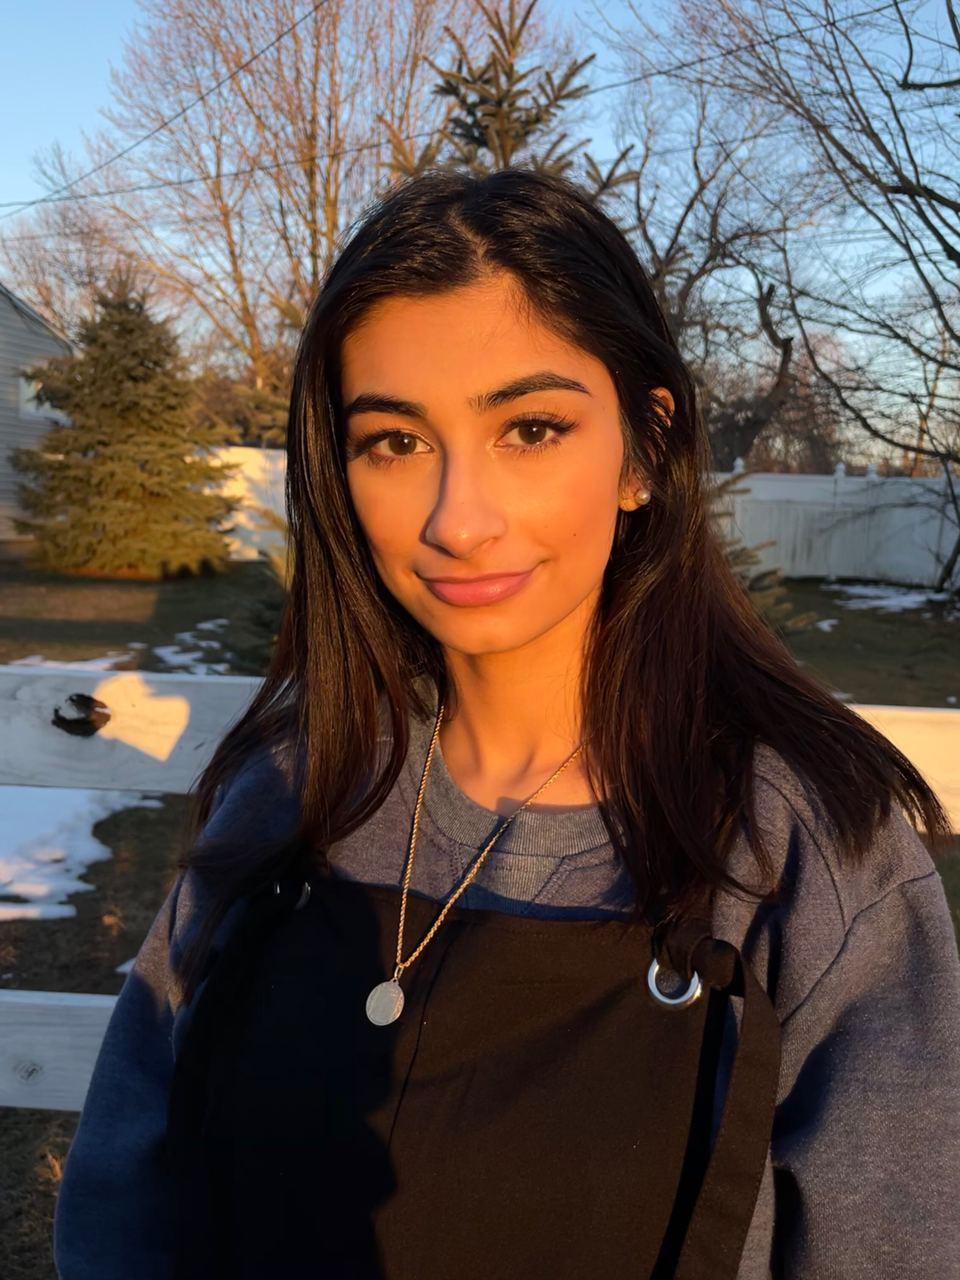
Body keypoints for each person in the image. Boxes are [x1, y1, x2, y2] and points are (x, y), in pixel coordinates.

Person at [53, 167, 960, 1280]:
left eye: (530, 428)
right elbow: (127, 1199)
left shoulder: (804, 861)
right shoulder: (290, 791)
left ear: (645, 448)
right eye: (395, 441)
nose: (459, 519)